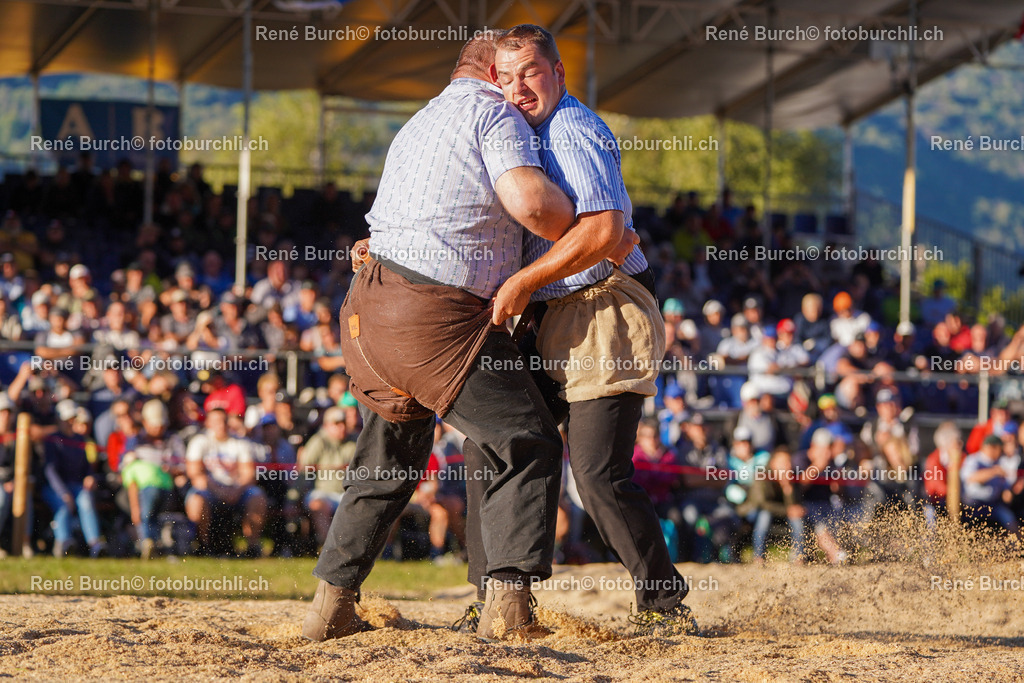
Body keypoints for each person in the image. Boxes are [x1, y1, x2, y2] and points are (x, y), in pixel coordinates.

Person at [303, 33, 588, 643]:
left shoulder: (420, 120)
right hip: (431, 316)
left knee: (388, 458)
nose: (516, 86)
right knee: (525, 437)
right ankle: (508, 610)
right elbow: (534, 206)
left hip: (365, 310)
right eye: (508, 74)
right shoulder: (493, 113)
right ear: (492, 72)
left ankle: (329, 606)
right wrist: (595, 223)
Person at [463, 23, 692, 636]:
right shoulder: (515, 133)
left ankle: (665, 605)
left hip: (605, 307)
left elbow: (604, 234)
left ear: (559, 74)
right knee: (492, 442)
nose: (518, 88)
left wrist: (521, 285)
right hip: (550, 312)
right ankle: (495, 595)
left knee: (597, 471)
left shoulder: (571, 129)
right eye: (505, 78)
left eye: (530, 73)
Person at [184, 407, 267, 557]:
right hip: (210, 490)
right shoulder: (199, 442)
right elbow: (195, 474)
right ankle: (203, 546)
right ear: (208, 423)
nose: (221, 425)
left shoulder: (241, 443)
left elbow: (249, 474)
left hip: (236, 490)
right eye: (216, 421)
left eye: (223, 421)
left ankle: (252, 548)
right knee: (196, 499)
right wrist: (219, 491)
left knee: (257, 496)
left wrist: (236, 490)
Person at [119, 400, 185, 559]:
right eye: (155, 425)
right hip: (137, 486)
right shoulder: (135, 440)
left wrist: (172, 469)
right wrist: (129, 459)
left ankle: (148, 541)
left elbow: (183, 466)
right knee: (142, 506)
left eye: (161, 425)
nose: (159, 429)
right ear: (145, 422)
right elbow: (124, 467)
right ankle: (147, 541)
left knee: (150, 502)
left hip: (166, 486)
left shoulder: (173, 439)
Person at [290, 406, 356, 548]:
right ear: (326, 425)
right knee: (318, 505)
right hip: (322, 492)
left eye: (343, 422)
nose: (341, 427)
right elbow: (303, 472)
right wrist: (293, 499)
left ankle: (355, 550)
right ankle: (330, 549)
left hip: (348, 494)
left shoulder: (355, 441)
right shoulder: (318, 441)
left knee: (362, 506)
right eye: (336, 423)